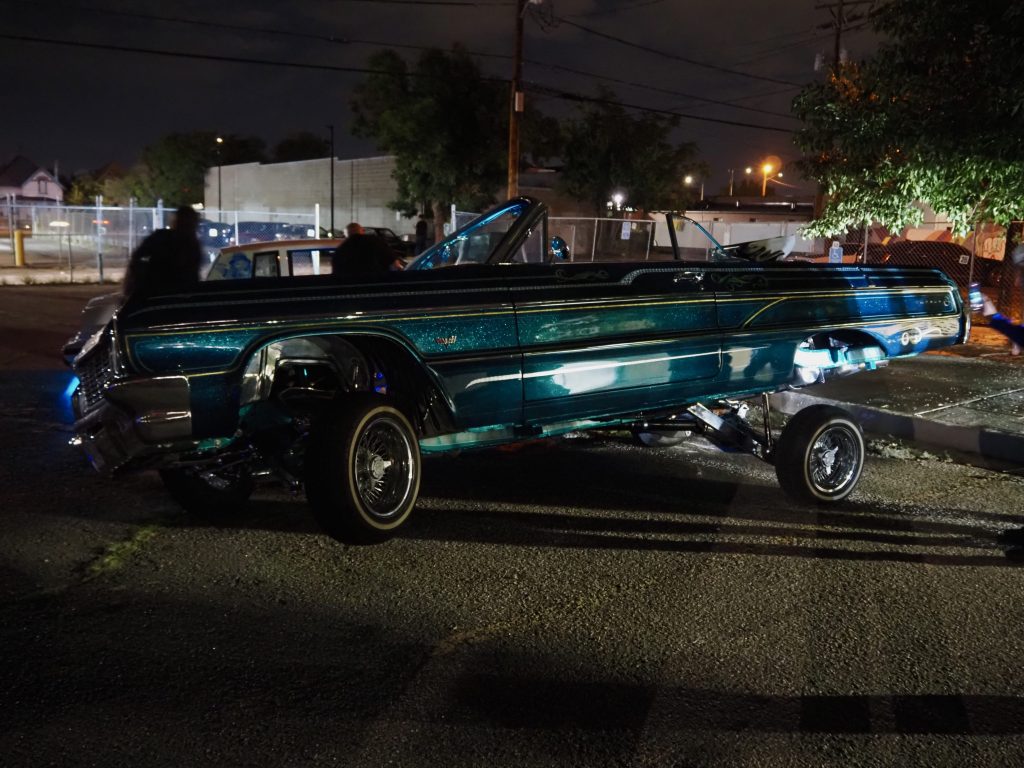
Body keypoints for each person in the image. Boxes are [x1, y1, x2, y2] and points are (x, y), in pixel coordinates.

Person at [123, 205, 202, 298]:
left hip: (160, 294)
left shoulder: (190, 245)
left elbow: (137, 257)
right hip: (161, 293)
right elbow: (138, 258)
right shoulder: (164, 238)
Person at [331, 222, 404, 276]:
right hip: (376, 284)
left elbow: (336, 273)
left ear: (347, 234)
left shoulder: (341, 249)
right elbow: (394, 264)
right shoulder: (376, 241)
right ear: (362, 231)